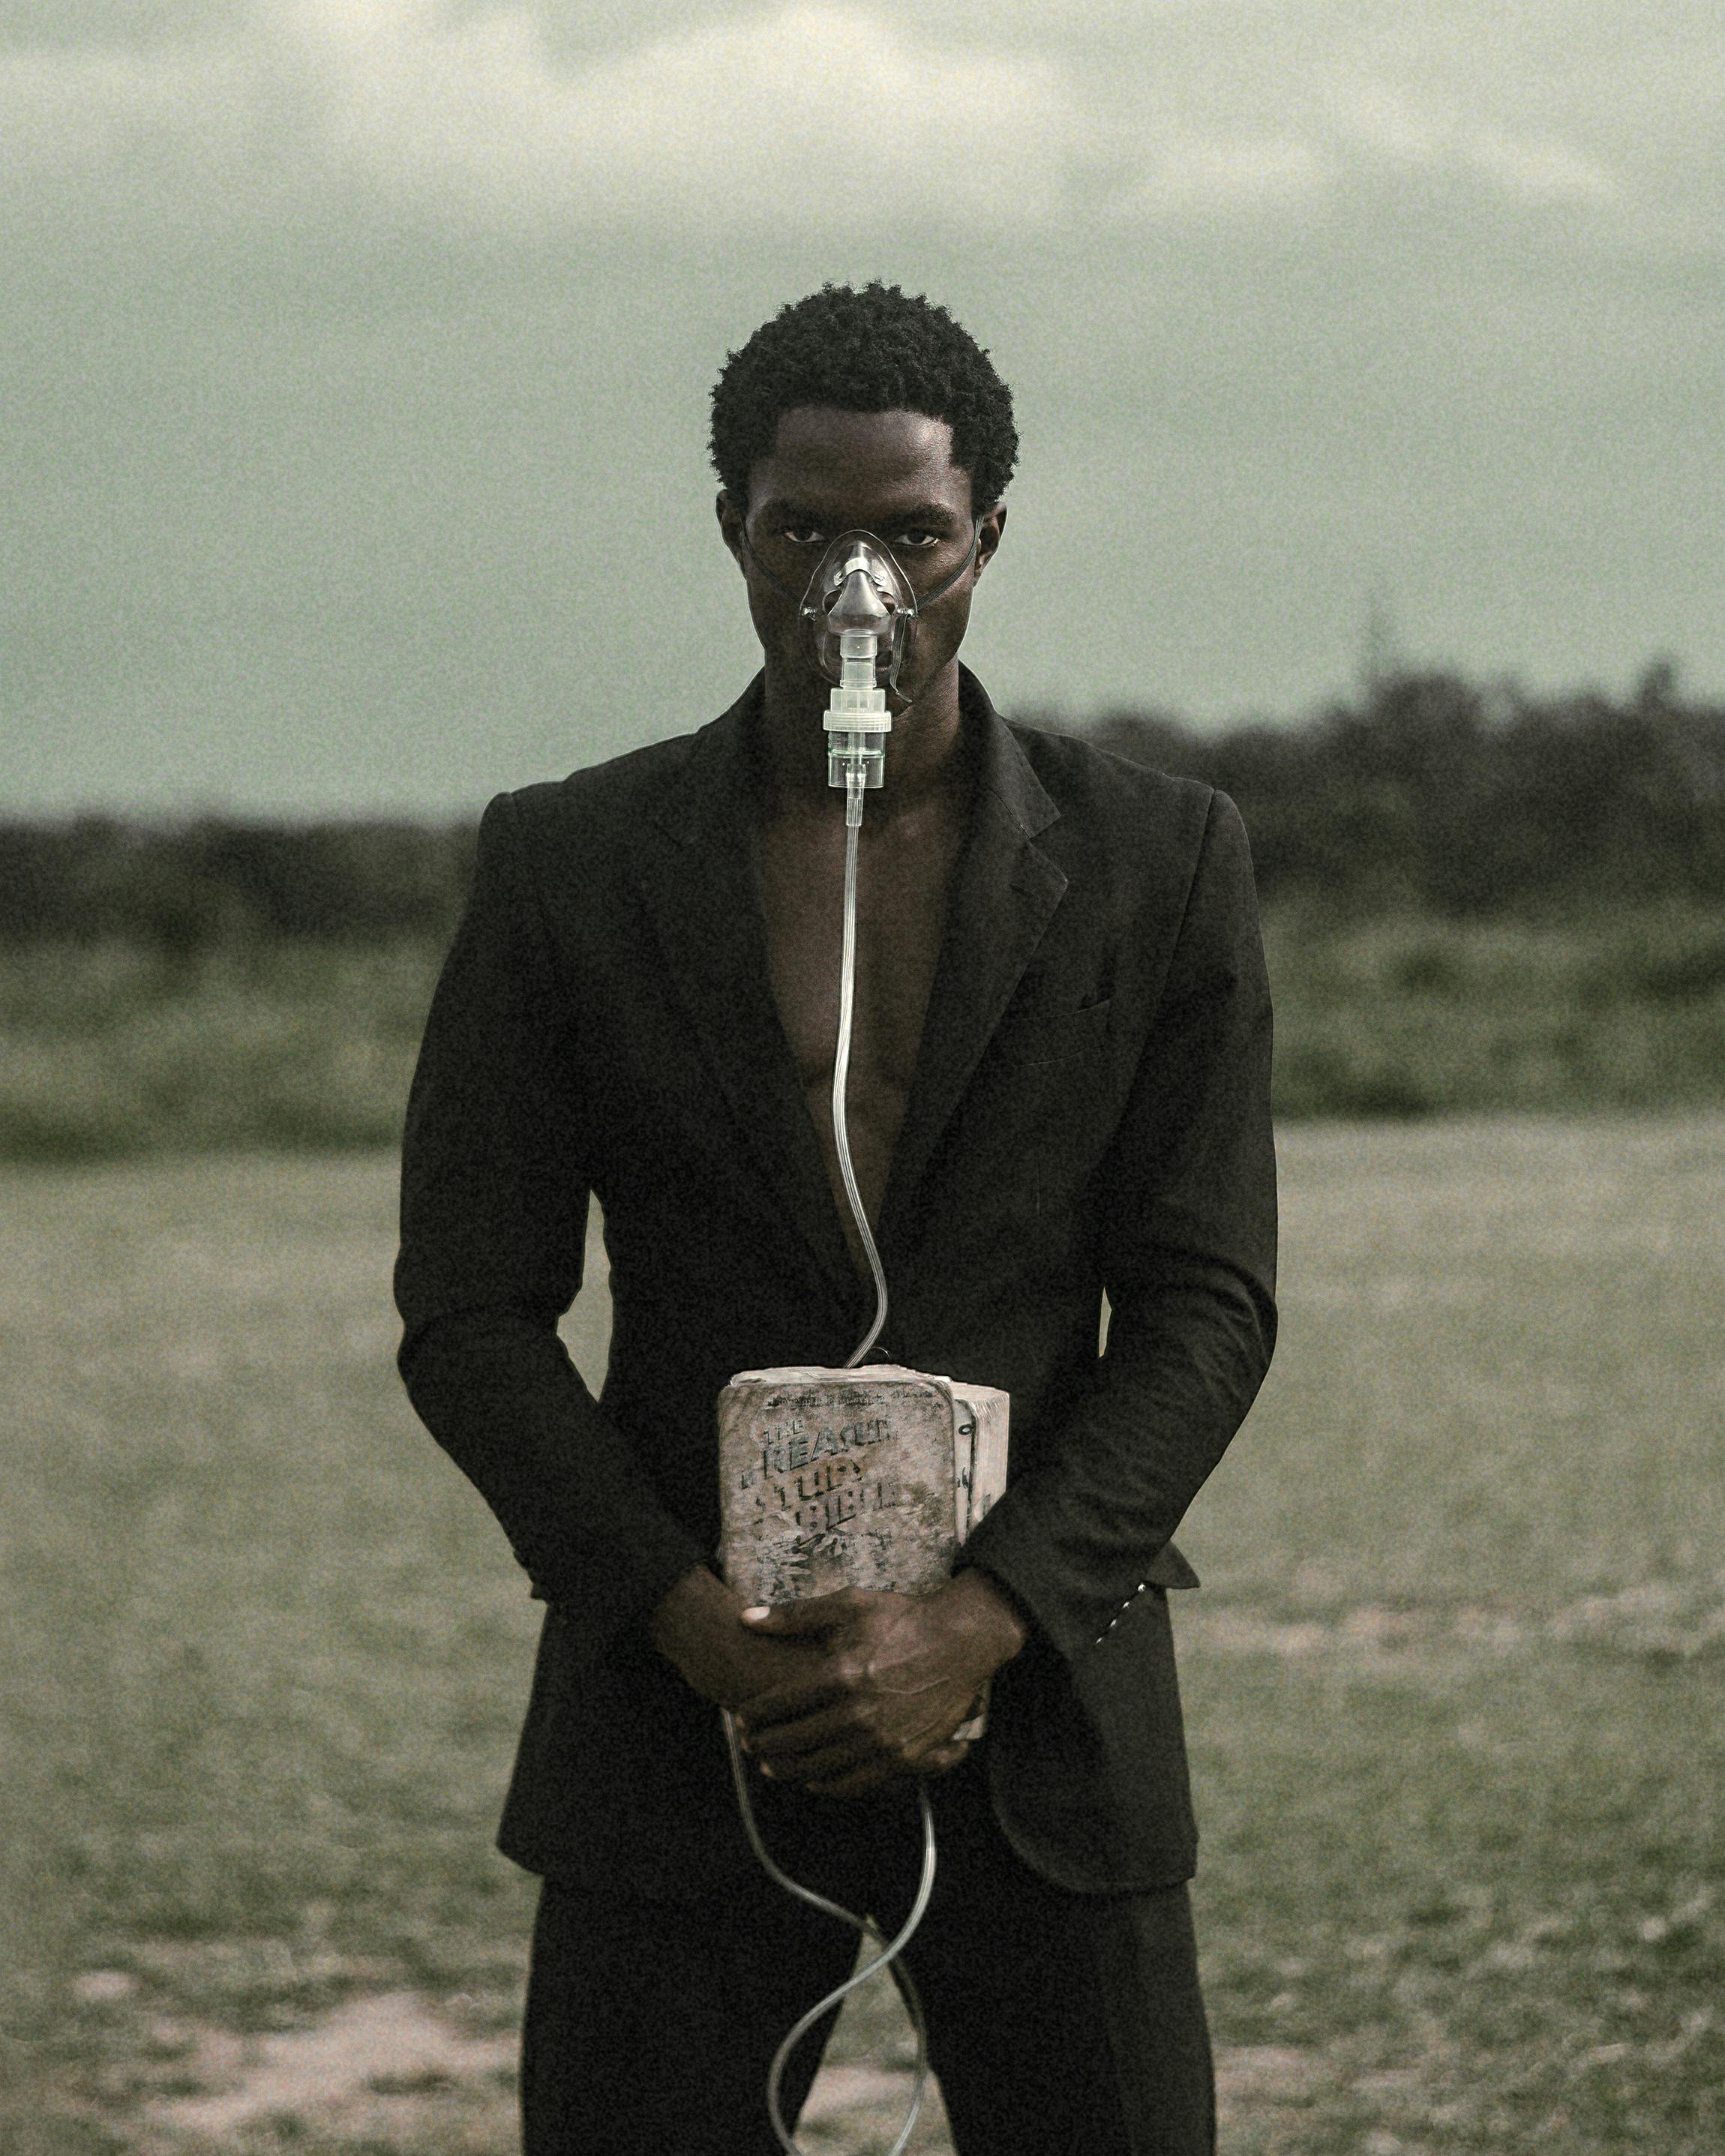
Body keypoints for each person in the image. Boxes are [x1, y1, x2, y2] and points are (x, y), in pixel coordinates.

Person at [394, 280, 1276, 2155]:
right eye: (806, 531)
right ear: (733, 529)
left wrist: (985, 1619)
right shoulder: (571, 860)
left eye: (910, 535)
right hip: (683, 1703)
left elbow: (1205, 1301)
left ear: (987, 544)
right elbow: (470, 1308)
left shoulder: (1155, 857)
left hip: (1037, 1700)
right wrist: (682, 1617)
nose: (856, 584)